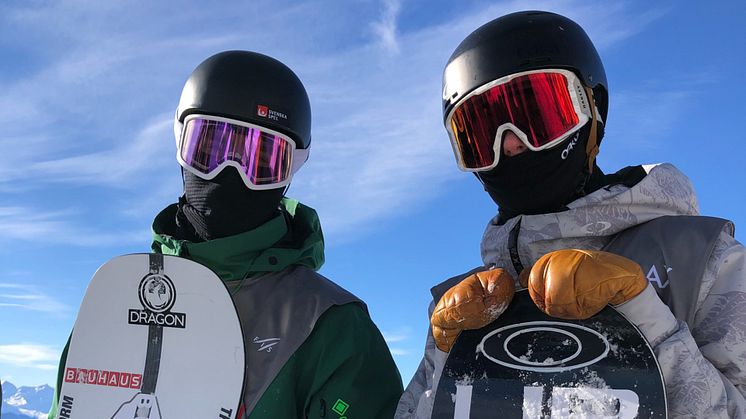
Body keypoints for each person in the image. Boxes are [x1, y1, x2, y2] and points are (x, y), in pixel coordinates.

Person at [397, 10, 746, 418]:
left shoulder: (700, 261)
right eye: (479, 133)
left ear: (591, 110)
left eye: (537, 115)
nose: (510, 145)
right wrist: (447, 358)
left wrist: (645, 323)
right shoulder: (460, 306)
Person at [48, 50, 403, 418]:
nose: (230, 170)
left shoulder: (331, 328)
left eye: (261, 159)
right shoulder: (119, 301)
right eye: (210, 147)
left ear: (292, 168)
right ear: (180, 144)